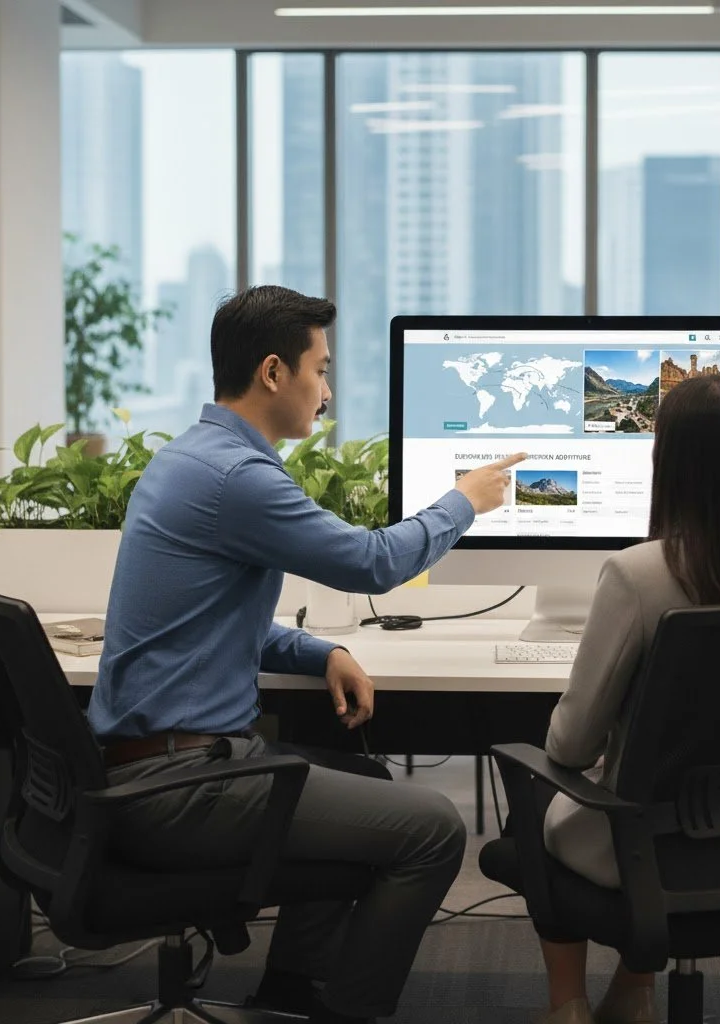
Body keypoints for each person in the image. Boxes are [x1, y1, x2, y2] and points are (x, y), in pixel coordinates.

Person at [86, 285, 525, 1024]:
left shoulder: (192, 459)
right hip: (182, 788)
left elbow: (217, 621)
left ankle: (293, 994)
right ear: (272, 373)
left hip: (159, 767)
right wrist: (465, 501)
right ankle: (346, 1014)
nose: (326, 391)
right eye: (320, 370)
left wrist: (317, 651)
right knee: (433, 829)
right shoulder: (236, 479)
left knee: (367, 781)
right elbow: (372, 562)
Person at [531, 375, 720, 1024]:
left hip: (650, 850)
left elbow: (569, 746)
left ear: (668, 464)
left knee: (534, 799)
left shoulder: (637, 574)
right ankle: (633, 989)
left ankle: (567, 1008)